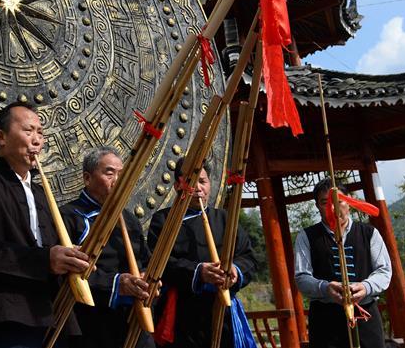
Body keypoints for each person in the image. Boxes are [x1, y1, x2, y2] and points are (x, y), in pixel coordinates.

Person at [0, 101, 90, 348]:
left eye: (40, 132)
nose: (37, 139)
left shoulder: (41, 194)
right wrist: (44, 260)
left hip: (53, 316)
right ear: (2, 138)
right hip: (8, 317)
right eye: (28, 131)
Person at [147, 159, 258, 348]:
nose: (198, 188)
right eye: (191, 182)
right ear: (177, 186)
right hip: (183, 312)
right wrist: (199, 272)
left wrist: (235, 271)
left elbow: (248, 257)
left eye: (203, 182)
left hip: (224, 311)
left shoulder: (225, 219)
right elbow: (160, 263)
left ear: (210, 185)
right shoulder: (164, 221)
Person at [60, 147, 153, 348]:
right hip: (92, 325)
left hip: (133, 324)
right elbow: (65, 274)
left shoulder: (129, 219)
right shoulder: (70, 216)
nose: (117, 180)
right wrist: (116, 284)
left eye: (122, 174)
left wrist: (149, 280)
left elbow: (145, 261)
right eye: (110, 173)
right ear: (87, 178)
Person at [294, 178, 392, 348]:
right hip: (325, 320)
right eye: (324, 202)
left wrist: (366, 287)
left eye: (338, 201)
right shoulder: (307, 236)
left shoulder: (369, 233)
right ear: (317, 206)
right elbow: (301, 277)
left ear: (349, 202)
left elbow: (384, 271)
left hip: (365, 314)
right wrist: (325, 287)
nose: (332, 208)